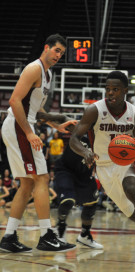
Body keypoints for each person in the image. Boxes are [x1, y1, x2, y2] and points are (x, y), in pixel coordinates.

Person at [69, 71, 135, 261]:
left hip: (126, 161)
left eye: (115, 89)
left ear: (125, 91)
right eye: (108, 89)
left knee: (131, 190)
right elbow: (74, 139)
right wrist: (86, 152)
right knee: (133, 216)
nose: (110, 93)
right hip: (103, 166)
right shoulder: (94, 110)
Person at [0, 34, 77, 253]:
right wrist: (29, 132)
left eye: (61, 53)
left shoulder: (48, 74)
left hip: (23, 126)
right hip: (18, 126)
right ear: (46, 48)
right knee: (41, 178)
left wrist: (56, 126)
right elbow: (14, 101)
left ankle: (8, 237)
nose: (58, 55)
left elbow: (36, 111)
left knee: (28, 184)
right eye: (56, 50)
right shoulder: (34, 68)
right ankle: (46, 236)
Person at [52, 134, 103, 250]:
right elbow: (64, 121)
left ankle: (85, 235)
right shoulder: (82, 128)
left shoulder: (104, 138)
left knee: (92, 202)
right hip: (66, 170)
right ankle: (60, 229)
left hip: (84, 173)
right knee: (67, 201)